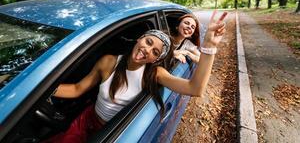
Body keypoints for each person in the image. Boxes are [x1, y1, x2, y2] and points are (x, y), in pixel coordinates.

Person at [46, 10, 227, 143]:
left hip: (109, 132)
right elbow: (77, 89)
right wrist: (43, 90)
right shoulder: (108, 61)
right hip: (86, 120)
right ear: (140, 38)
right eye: (148, 42)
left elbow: (195, 88)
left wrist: (209, 45)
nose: (147, 50)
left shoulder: (155, 73)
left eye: (155, 51)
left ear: (156, 59)